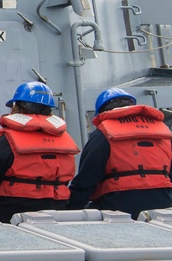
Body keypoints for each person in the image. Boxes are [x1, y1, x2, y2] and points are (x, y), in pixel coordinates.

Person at [0, 82, 79, 223]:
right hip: (55, 209)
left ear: (17, 107)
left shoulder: (7, 140)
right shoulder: (65, 140)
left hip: (10, 209)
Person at [68, 87, 172, 218]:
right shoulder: (163, 133)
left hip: (118, 206)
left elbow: (87, 179)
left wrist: (71, 208)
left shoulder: (103, 134)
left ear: (101, 112)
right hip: (163, 206)